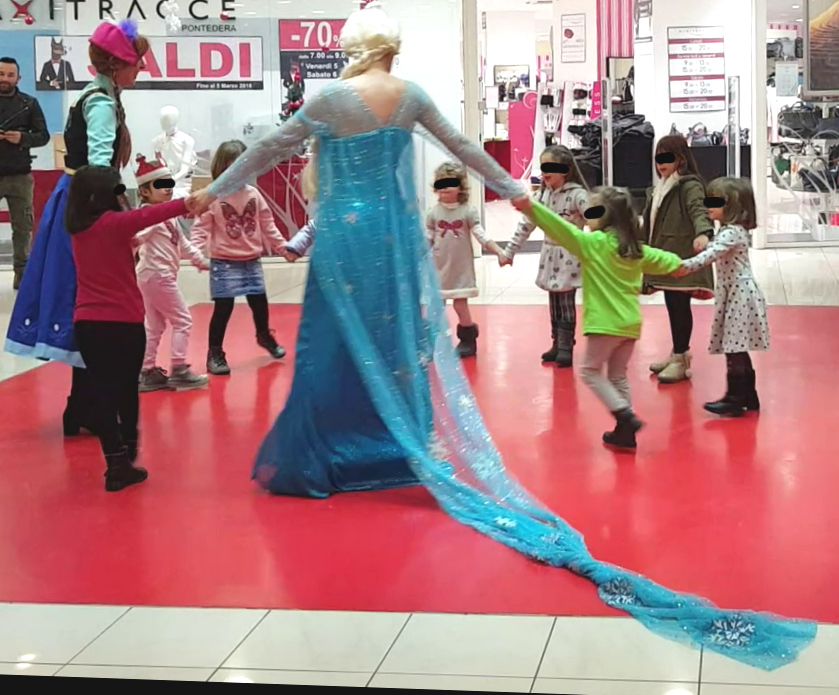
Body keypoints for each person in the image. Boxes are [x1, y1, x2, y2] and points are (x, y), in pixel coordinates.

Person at [190, 0, 816, 668]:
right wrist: (513, 192)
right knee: (397, 348)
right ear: (390, 47)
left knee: (329, 347)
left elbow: (269, 148)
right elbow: (462, 149)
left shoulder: (328, 100)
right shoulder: (407, 95)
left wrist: (211, 191)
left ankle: (334, 453)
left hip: (344, 238)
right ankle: (389, 447)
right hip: (394, 240)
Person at [5, 19, 149, 440]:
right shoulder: (101, 103)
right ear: (117, 64)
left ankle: (83, 407)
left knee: (87, 304)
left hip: (77, 202)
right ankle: (90, 409)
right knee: (95, 306)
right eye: (137, 61)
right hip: (89, 207)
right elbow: (102, 170)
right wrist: (120, 216)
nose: (141, 68)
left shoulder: (99, 95)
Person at [514, 187, 682, 448]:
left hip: (604, 324)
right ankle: (625, 433)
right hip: (630, 324)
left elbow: (559, 227)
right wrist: (683, 266)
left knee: (590, 372)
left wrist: (530, 207)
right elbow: (669, 261)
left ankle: (625, 416)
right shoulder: (635, 249)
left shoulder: (593, 244)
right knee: (618, 376)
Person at [66, 164, 194, 490]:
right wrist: (192, 201)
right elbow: (154, 213)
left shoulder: (78, 228)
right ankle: (128, 448)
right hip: (122, 322)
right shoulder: (114, 223)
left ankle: (116, 462)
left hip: (87, 323)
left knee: (104, 393)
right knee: (126, 391)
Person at [190, 140, 289, 376]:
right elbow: (200, 228)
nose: (236, 173)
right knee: (223, 308)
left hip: (251, 260)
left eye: (242, 166)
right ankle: (215, 352)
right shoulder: (214, 197)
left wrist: (283, 247)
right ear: (221, 168)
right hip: (224, 262)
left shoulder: (253, 194)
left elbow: (268, 225)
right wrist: (195, 252)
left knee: (259, 302)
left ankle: (264, 334)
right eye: (230, 168)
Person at [674, 178, 768, 416]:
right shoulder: (730, 231)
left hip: (739, 294)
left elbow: (710, 255)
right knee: (737, 346)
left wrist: (683, 266)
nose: (709, 205)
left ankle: (736, 397)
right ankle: (748, 394)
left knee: (734, 346)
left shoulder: (732, 232)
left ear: (733, 205)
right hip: (735, 292)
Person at [501, 145, 589, 367]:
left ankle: (566, 346)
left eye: (551, 167)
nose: (545, 171)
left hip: (570, 255)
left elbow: (595, 219)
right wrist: (510, 251)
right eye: (543, 167)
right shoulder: (541, 196)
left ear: (566, 169)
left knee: (566, 300)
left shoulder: (578, 195)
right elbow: (526, 224)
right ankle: (557, 342)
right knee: (554, 300)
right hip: (550, 255)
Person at [133, 153, 210, 392]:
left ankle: (146, 371)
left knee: (155, 326)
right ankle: (179, 368)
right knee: (182, 320)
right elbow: (137, 236)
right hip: (157, 275)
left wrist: (199, 259)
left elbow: (182, 243)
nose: (167, 188)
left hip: (152, 276)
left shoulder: (167, 214)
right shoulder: (149, 216)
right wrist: (131, 241)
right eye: (160, 184)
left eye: (169, 182)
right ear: (144, 191)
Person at [641, 134, 714, 383]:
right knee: (673, 304)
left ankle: (681, 358)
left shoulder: (689, 186)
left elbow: (699, 210)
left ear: (680, 158)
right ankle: (677, 353)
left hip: (681, 256)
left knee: (679, 305)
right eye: (658, 158)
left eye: (667, 157)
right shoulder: (661, 187)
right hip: (666, 254)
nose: (661, 163)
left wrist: (703, 233)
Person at [426, 162, 505, 357]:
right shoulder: (433, 212)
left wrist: (498, 251)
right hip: (439, 267)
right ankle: (432, 341)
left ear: (461, 187)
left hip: (460, 267)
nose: (445, 187)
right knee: (436, 307)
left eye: (450, 183)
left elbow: (480, 234)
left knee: (460, 305)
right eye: (441, 183)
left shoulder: (467, 211)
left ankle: (468, 340)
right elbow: (427, 238)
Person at [0, 56, 50, 290]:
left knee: (23, 229)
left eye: (10, 75)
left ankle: (22, 276)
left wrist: (23, 138)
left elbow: (43, 136)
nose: (5, 79)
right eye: (1, 74)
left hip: (20, 176)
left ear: (18, 78)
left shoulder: (29, 104)